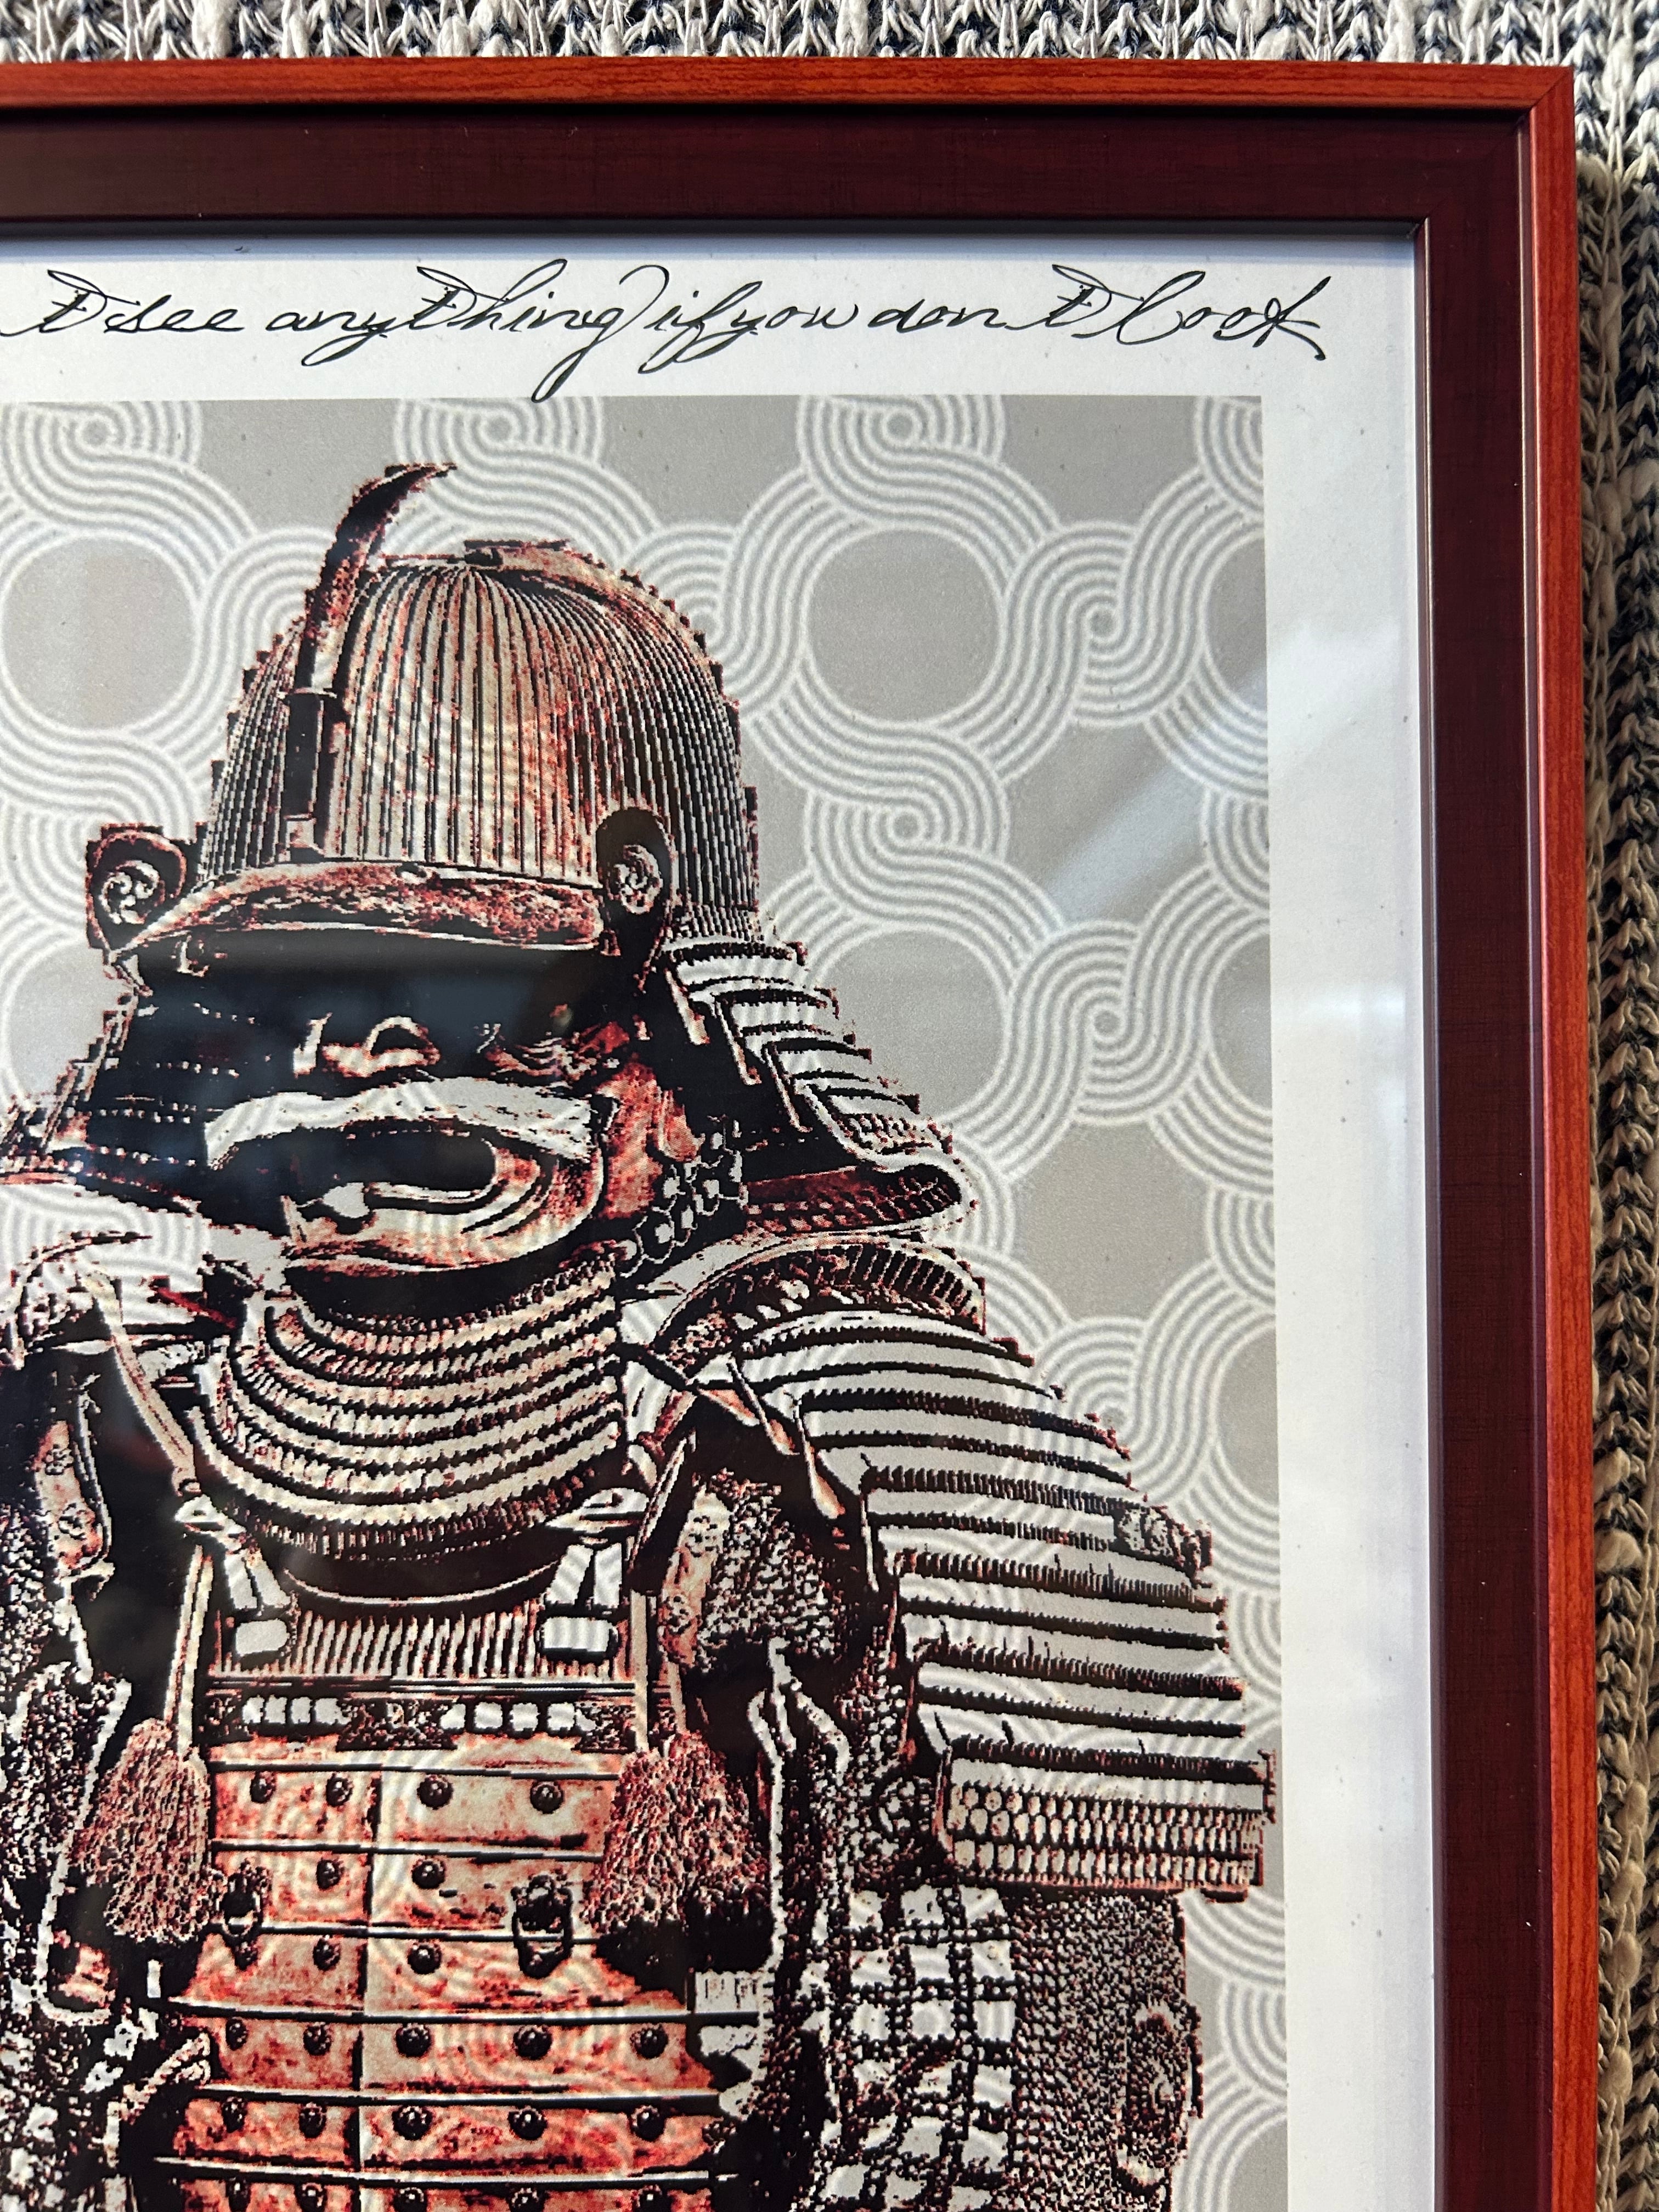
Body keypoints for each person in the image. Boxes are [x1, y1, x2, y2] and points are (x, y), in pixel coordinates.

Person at [0, 464, 1269, 2212]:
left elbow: (995, 2126)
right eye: (296, 997)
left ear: (669, 1036)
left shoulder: (856, 1456)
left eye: (456, 995)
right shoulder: (92, 1456)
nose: (357, 1065)